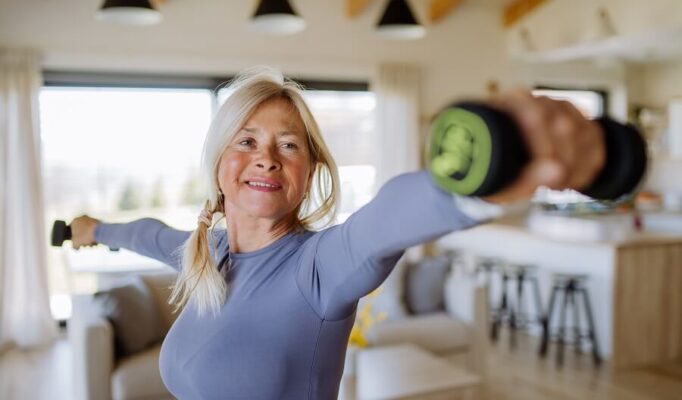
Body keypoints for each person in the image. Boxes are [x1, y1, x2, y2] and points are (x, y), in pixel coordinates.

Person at [69, 67, 605, 399]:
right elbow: (149, 233)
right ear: (218, 164)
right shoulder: (204, 254)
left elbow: (381, 225)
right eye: (247, 141)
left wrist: (473, 181)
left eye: (289, 145)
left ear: (309, 174)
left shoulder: (318, 268)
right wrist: (95, 228)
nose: (267, 159)